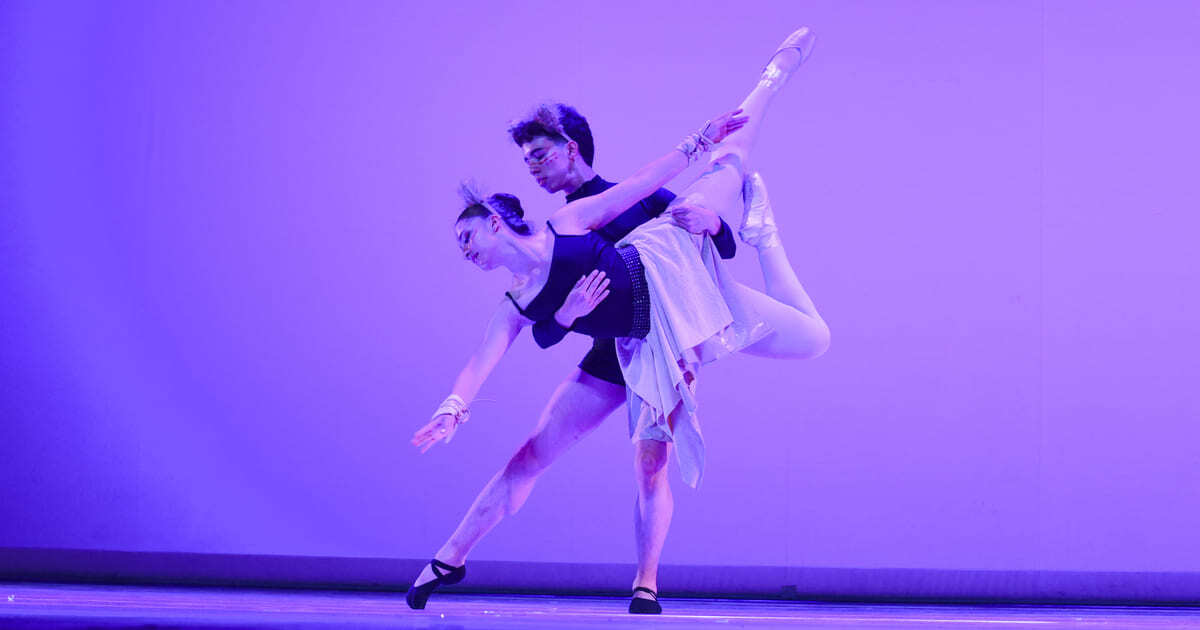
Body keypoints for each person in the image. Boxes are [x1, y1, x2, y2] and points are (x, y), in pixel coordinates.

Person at [408, 27, 828, 614]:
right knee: (534, 451)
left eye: (540, 155)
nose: (533, 169)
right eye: (525, 161)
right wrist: (454, 407)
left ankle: (770, 82)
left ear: (570, 148)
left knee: (731, 169)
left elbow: (666, 202)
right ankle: (449, 558)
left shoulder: (586, 211)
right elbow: (525, 334)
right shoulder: (535, 262)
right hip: (622, 343)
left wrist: (719, 220)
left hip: (678, 306)